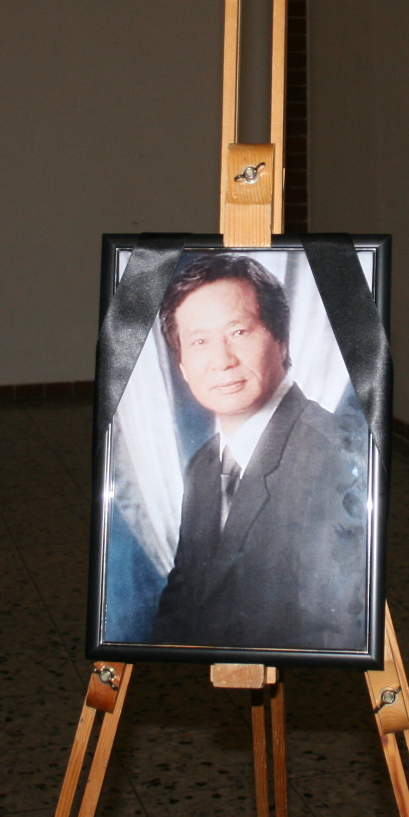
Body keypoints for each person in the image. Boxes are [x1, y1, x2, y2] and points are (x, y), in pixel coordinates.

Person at [149, 253, 368, 652]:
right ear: (182, 366)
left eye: (239, 332)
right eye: (199, 341)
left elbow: (333, 631)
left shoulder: (333, 457)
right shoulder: (204, 465)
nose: (222, 360)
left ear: (281, 340)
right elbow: (184, 596)